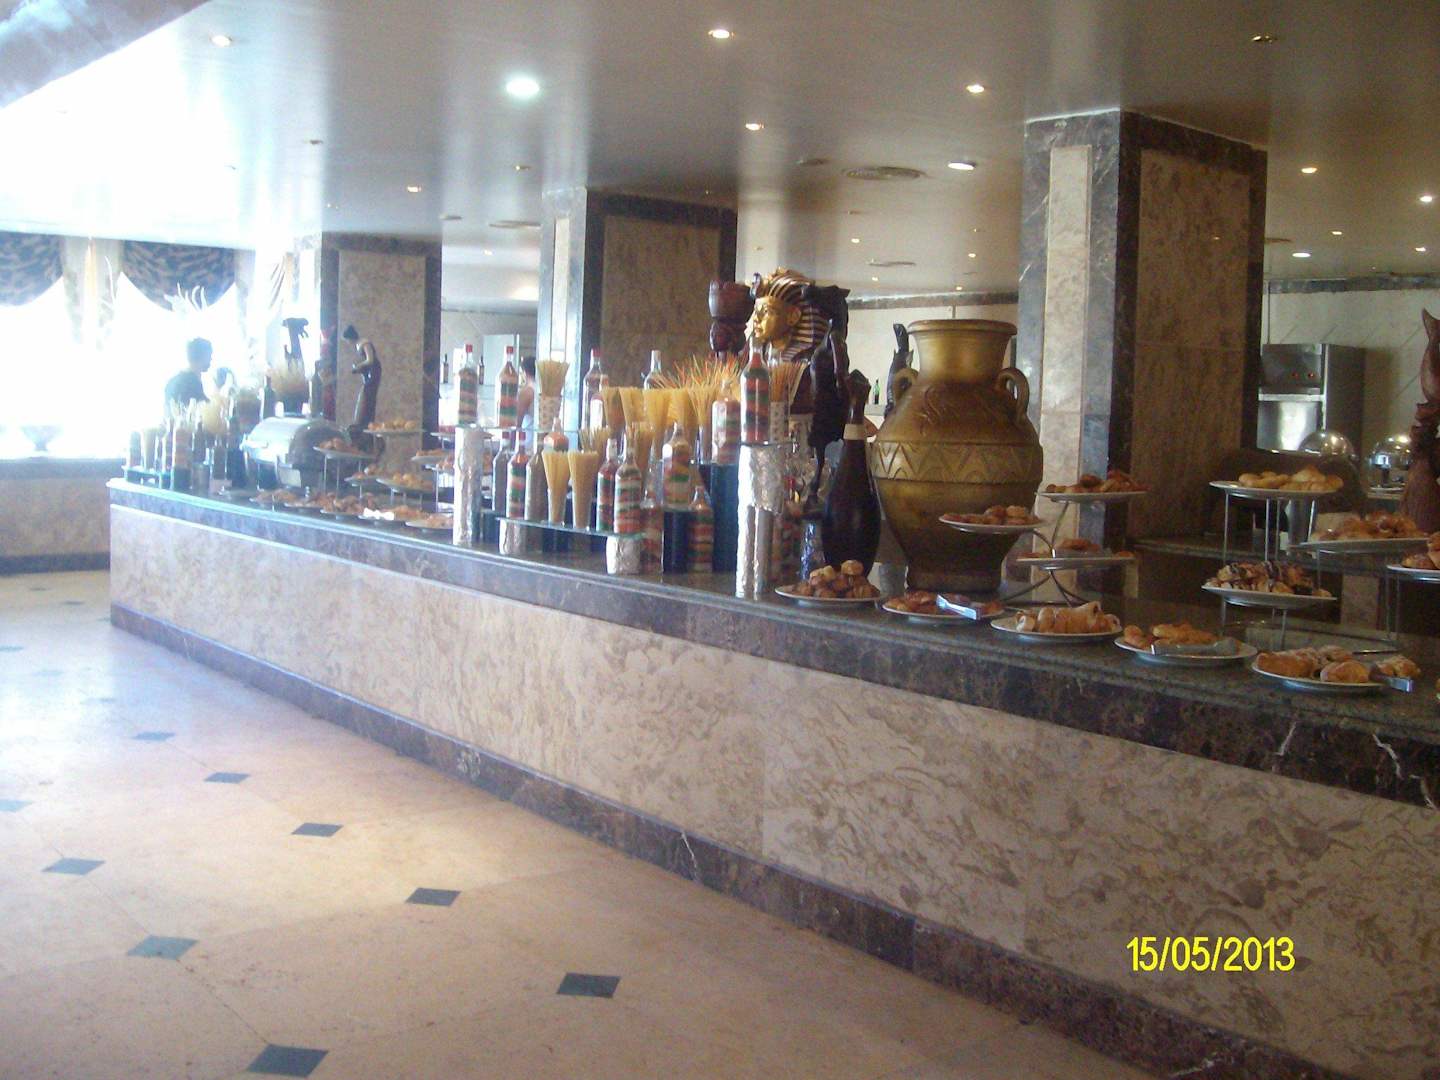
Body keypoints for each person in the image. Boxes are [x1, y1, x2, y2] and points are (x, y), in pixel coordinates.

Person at [164, 338, 212, 413]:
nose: (211, 359)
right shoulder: (193, 383)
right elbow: (207, 409)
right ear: (203, 356)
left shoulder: (171, 382)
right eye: (209, 355)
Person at [516, 354, 537, 426]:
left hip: (529, 432)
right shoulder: (541, 388)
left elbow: (517, 422)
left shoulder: (527, 392)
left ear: (525, 372)